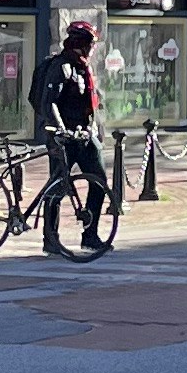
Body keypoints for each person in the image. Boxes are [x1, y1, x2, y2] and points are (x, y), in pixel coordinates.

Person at [28, 17, 110, 252]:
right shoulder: (61, 67)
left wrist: (95, 130)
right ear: (82, 43)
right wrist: (60, 129)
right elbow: (49, 103)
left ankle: (90, 234)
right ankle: (51, 239)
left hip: (84, 135)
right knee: (58, 186)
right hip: (63, 137)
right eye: (92, 44)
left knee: (99, 183)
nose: (94, 48)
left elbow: (91, 104)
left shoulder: (84, 67)